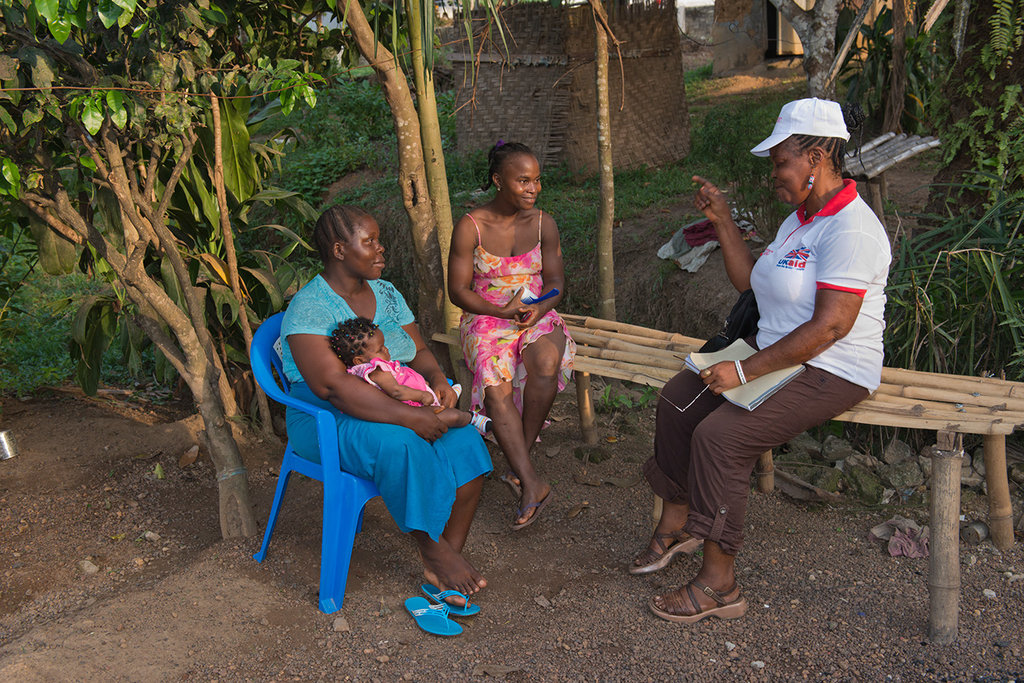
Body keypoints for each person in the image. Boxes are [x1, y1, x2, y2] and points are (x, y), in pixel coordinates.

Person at [631, 98, 890, 624]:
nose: (774, 173)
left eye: (780, 162)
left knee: (721, 438)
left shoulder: (852, 230)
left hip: (832, 365)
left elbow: (831, 327)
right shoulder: (801, 219)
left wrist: (745, 371)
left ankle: (719, 583)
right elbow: (751, 283)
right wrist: (723, 220)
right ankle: (680, 518)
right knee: (678, 402)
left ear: (816, 158)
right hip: (774, 349)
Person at [280, 205, 492, 603]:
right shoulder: (310, 307)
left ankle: (445, 557)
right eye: (370, 242)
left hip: (401, 403)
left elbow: (418, 350)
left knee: (466, 443)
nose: (381, 249)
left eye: (379, 240)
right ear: (340, 250)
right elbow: (334, 387)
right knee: (403, 445)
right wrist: (409, 419)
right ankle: (434, 551)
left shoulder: (386, 293)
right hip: (327, 418)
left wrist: (435, 383)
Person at [448, 141, 576, 530]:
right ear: (497, 181)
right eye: (522, 180)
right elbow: (458, 291)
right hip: (486, 315)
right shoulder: (471, 226)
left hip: (536, 309)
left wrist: (540, 307)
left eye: (536, 180)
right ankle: (530, 480)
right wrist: (499, 310)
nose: (532, 188)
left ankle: (518, 466)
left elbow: (555, 283)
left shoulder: (543, 224)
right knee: (495, 378)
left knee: (545, 362)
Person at [329, 316, 492, 434]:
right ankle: (471, 418)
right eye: (380, 349)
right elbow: (397, 391)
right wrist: (421, 396)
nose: (386, 350)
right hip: (413, 407)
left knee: (428, 388)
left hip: (416, 397)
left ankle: (436, 396)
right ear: (359, 360)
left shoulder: (371, 367)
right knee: (452, 416)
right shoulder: (377, 371)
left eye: (384, 345)